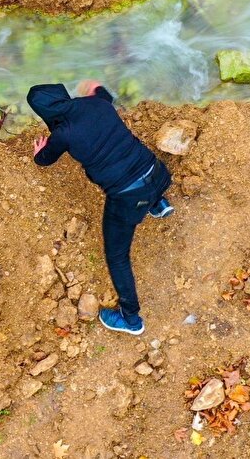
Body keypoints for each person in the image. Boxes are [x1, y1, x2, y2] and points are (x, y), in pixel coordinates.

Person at [27, 80, 173, 336]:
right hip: (157, 172)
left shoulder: (64, 132)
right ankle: (158, 205)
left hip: (128, 197)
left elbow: (45, 159)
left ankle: (131, 319)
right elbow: (105, 96)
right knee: (137, 167)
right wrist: (95, 90)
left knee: (117, 257)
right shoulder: (96, 104)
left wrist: (40, 151)